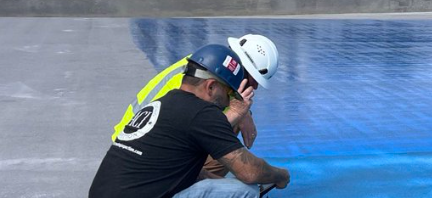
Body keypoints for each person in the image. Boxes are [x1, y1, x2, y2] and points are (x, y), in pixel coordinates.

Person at [90, 43, 290, 197]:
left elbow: (184, 169)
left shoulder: (168, 99)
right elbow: (250, 172)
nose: (231, 98)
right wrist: (279, 175)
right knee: (247, 191)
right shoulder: (202, 113)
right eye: (230, 91)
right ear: (211, 87)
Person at [112, 34, 279, 156]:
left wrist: (245, 114)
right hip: (136, 146)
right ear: (240, 67)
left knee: (233, 119)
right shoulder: (198, 84)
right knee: (227, 127)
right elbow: (206, 130)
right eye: (252, 79)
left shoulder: (207, 67)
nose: (255, 87)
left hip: (139, 140)